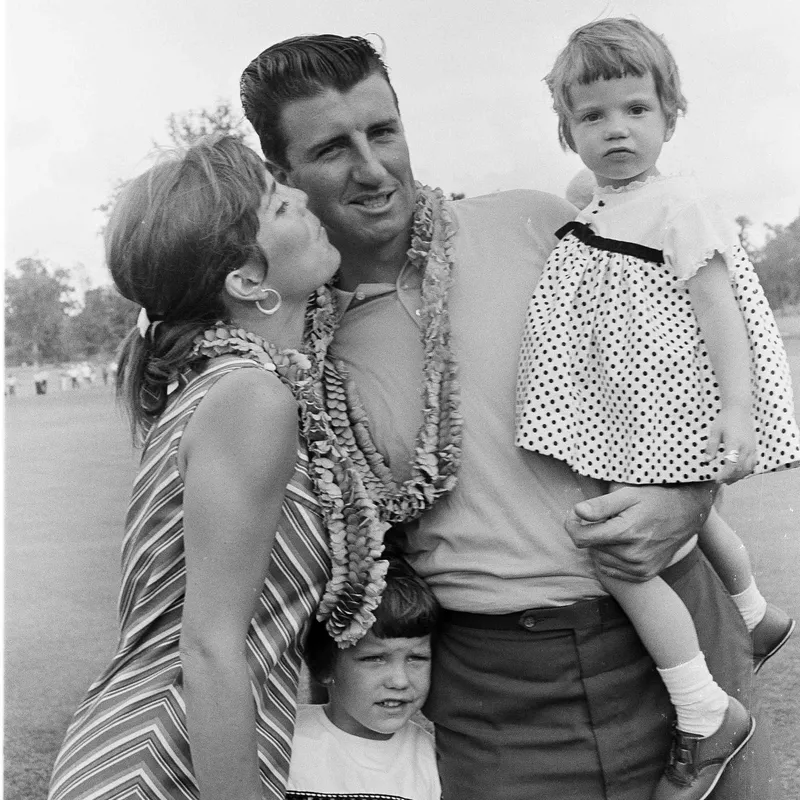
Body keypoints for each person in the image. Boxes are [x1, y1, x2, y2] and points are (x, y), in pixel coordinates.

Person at [240, 35, 774, 799]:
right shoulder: (299, 346)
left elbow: (690, 376)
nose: (371, 167)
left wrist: (687, 498)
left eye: (383, 131)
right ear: (283, 173)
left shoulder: (545, 224)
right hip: (496, 696)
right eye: (332, 148)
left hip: (678, 644)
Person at [513, 19, 799, 799]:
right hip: (633, 406)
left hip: (673, 401)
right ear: (567, 130)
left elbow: (722, 314)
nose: (616, 130)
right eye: (593, 116)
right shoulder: (611, 202)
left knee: (612, 549)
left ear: (670, 115)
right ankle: (755, 610)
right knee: (683, 520)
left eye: (636, 110)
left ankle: (704, 710)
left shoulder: (678, 207)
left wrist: (735, 412)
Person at [47, 134, 358, 800]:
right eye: (279, 207)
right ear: (247, 281)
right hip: (160, 765)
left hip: (158, 755)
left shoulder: (222, 387)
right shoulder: (249, 397)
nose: (303, 196)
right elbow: (211, 647)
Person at [287, 552, 441, 800]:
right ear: (324, 667)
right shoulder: (285, 741)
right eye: (374, 659)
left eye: (416, 658)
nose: (400, 681)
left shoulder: (429, 757)